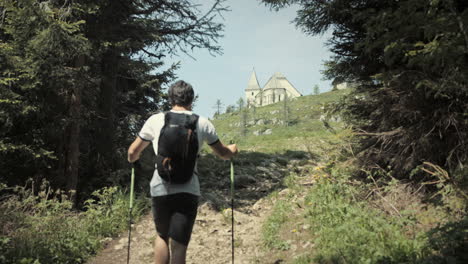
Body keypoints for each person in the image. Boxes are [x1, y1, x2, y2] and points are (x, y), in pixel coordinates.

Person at [127, 80, 238, 264]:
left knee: (162, 236)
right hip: (188, 190)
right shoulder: (202, 123)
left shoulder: (156, 120)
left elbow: (132, 152)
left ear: (171, 98)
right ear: (191, 100)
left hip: (160, 188)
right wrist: (233, 150)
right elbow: (223, 153)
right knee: (179, 245)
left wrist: (133, 160)